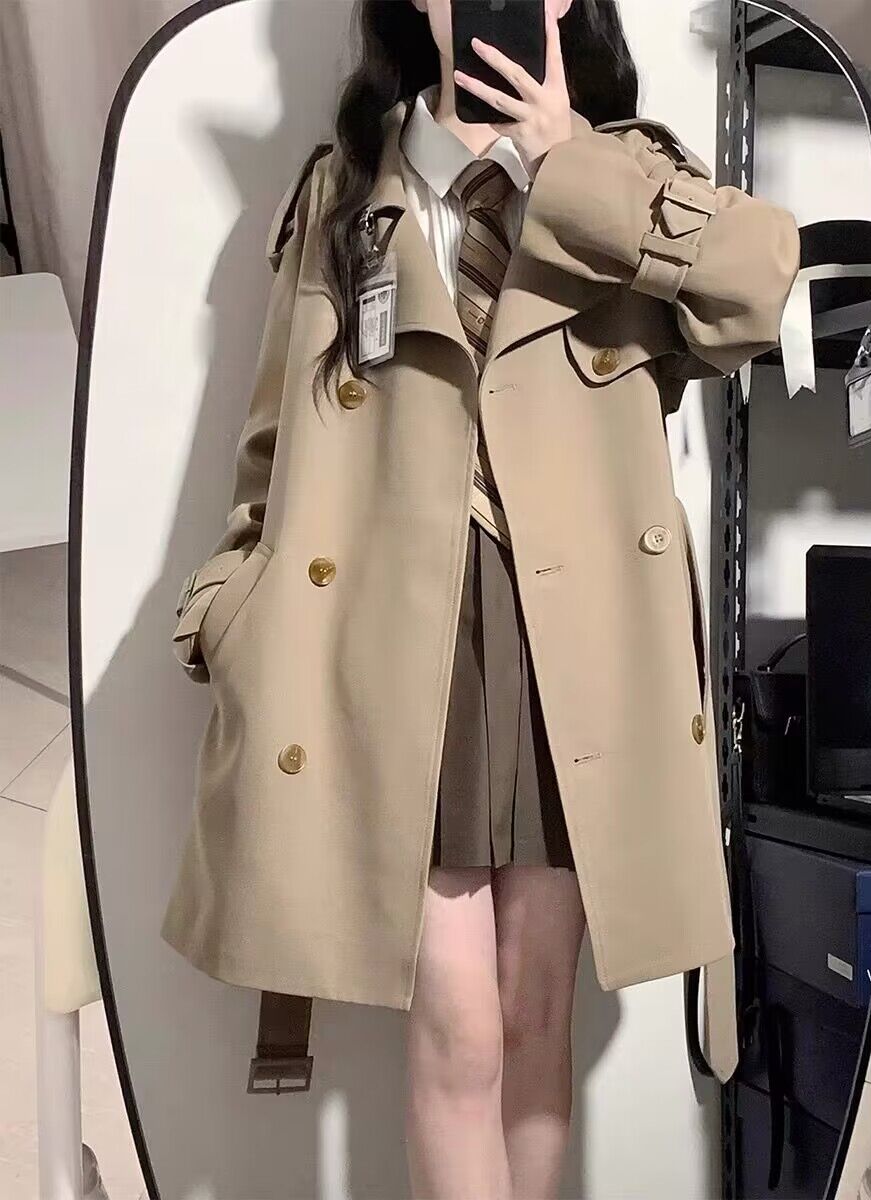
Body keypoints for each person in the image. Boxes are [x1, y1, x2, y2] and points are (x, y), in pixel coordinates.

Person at [163, 2, 801, 1197]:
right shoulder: (348, 192)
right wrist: (228, 615)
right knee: (456, 1025)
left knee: (533, 1010)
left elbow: (759, 287)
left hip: (576, 640)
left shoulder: (629, 175)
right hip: (390, 644)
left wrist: (571, 163)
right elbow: (271, 446)